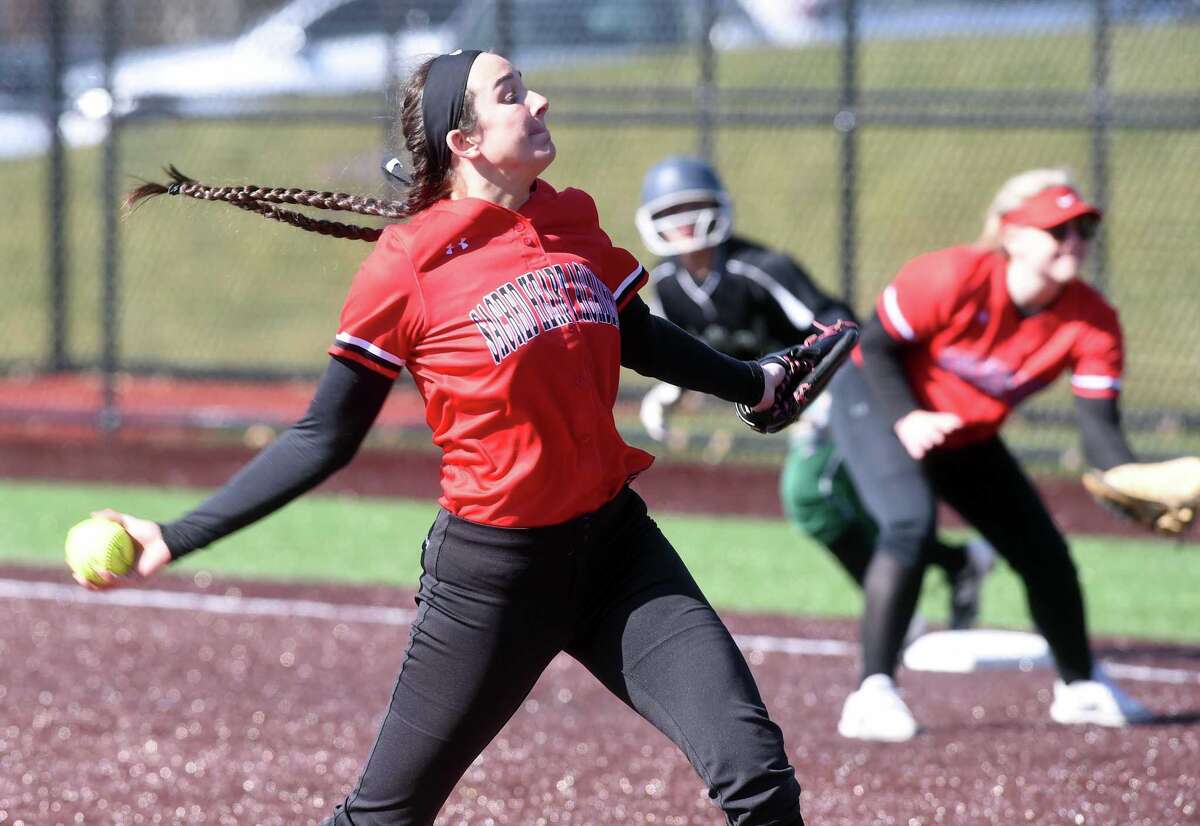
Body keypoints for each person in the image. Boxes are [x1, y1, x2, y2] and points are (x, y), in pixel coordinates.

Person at [76, 51, 811, 825]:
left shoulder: (568, 219)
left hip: (619, 556)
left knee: (757, 777)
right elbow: (325, 435)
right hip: (494, 581)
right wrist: (174, 535)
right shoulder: (408, 264)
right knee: (385, 819)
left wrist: (754, 384)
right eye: (511, 95)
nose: (539, 101)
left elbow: (639, 334)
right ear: (464, 142)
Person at [831, 167, 1155, 742]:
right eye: (1058, 231)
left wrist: (1137, 486)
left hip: (964, 430)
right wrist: (907, 417)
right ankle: (872, 693)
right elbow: (873, 345)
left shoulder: (1093, 320)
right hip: (881, 402)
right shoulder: (953, 275)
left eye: (1083, 230)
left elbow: (1100, 432)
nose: (1075, 242)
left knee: (1044, 552)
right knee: (908, 524)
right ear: (1012, 235)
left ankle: (1080, 687)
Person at [634, 155, 995, 636]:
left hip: (838, 391)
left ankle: (896, 608)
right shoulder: (664, 285)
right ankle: (955, 564)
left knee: (809, 495)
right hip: (793, 407)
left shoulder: (760, 268)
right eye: (671, 212)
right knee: (845, 506)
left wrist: (817, 380)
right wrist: (673, 388)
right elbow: (686, 349)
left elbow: (840, 324)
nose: (684, 224)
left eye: (694, 207)